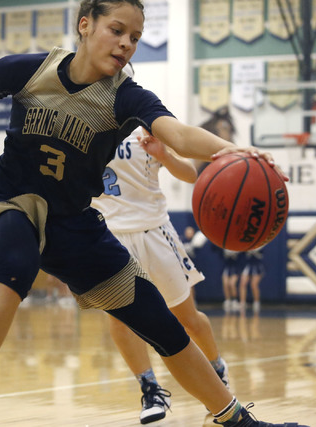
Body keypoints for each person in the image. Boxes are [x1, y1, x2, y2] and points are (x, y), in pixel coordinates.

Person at [0, 2, 304, 426]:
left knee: (161, 321)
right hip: (9, 204)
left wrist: (232, 150)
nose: (126, 44)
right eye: (117, 30)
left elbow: (176, 134)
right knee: (17, 263)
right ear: (85, 25)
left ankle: (235, 419)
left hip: (74, 225)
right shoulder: (27, 69)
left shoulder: (125, 97)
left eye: (135, 38)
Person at [91, 125, 229, 424]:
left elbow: (191, 175)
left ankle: (217, 369)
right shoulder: (83, 126)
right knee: (120, 320)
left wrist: (164, 154)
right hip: (109, 235)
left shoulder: (144, 122)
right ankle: (150, 388)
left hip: (154, 231)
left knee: (186, 318)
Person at [238, 248, 265, 313]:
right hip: (248, 265)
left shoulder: (261, 243)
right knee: (242, 283)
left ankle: (256, 302)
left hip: (257, 265)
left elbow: (261, 253)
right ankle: (242, 303)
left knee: (254, 284)